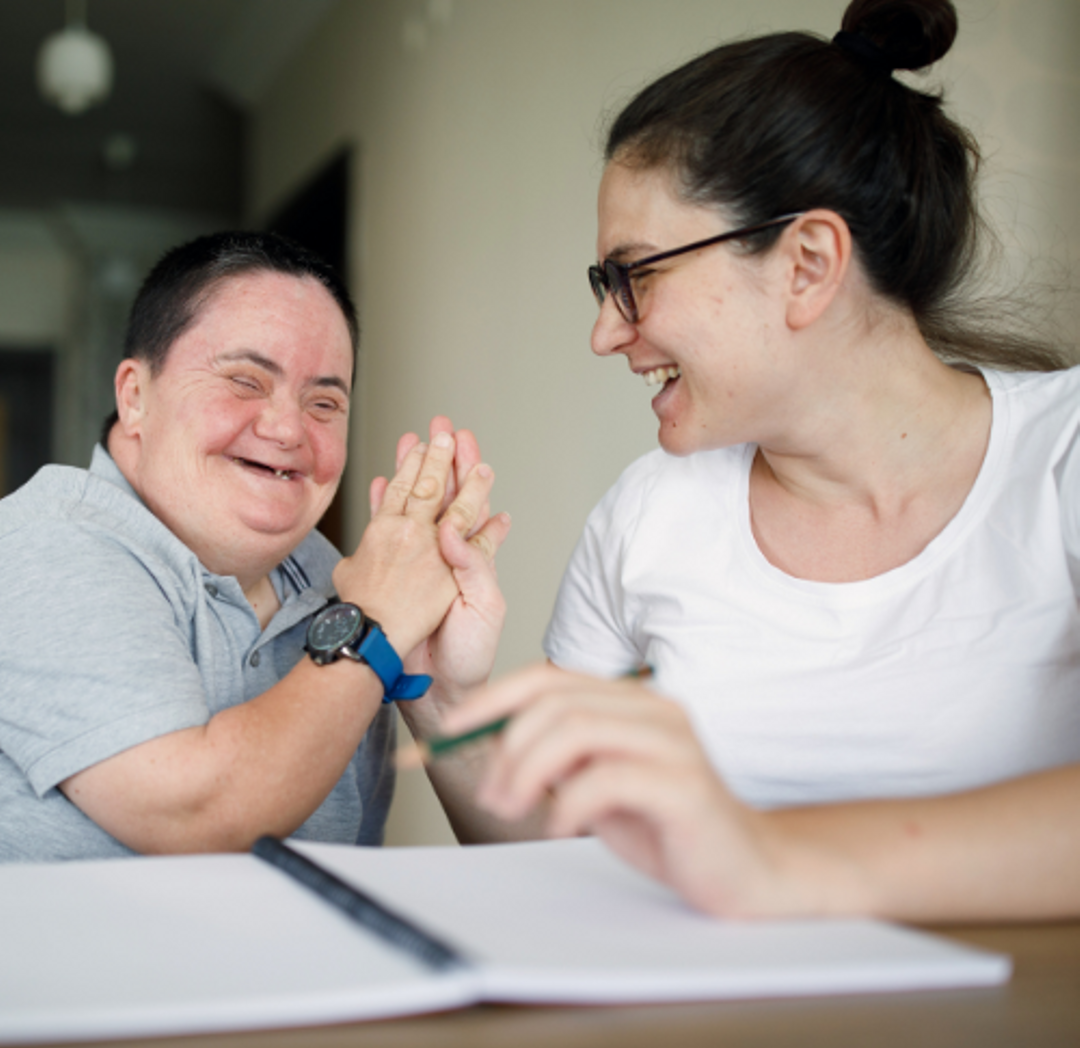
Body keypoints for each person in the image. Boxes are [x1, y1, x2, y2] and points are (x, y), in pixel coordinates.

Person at [426, 0, 1080, 921]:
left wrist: (768, 860)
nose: (606, 331)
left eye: (635, 274)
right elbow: (565, 853)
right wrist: (441, 690)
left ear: (808, 263)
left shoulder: (1065, 454)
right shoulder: (647, 514)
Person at [0, 231, 508, 862]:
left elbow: (530, 875)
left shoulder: (341, 583)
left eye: (324, 401)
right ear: (135, 396)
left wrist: (442, 702)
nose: (287, 428)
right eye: (245, 381)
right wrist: (373, 627)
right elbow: (197, 814)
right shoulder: (46, 543)